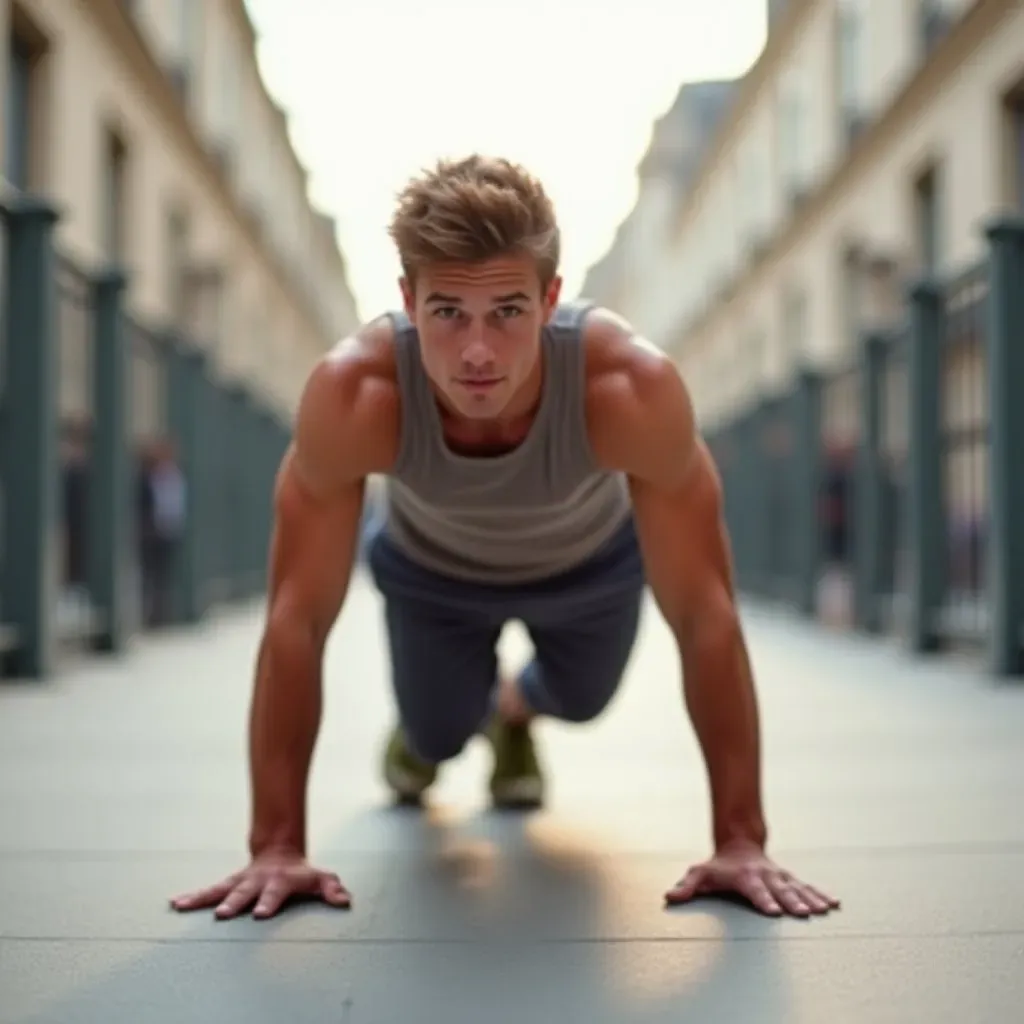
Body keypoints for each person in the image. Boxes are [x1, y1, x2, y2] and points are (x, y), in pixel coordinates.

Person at [171, 155, 841, 924]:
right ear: (407, 300)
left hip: (590, 568)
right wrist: (276, 846)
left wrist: (740, 840)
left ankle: (515, 711)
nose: (479, 352)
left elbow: (705, 613)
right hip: (433, 578)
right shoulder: (356, 394)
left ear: (552, 298)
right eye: (448, 312)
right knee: (438, 728)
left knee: (586, 699)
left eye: (509, 312)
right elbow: (296, 618)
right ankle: (430, 738)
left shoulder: (629, 388)